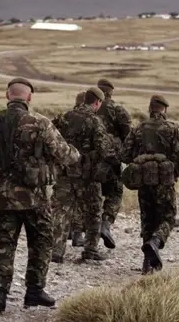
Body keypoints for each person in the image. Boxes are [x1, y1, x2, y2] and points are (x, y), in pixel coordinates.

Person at [0, 77, 80, 314]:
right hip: (34, 199)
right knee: (41, 243)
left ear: (8, 96)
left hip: (0, 198)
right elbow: (65, 154)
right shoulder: (40, 123)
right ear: (29, 97)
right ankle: (34, 291)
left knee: (2, 245)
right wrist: (75, 156)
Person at [121, 95, 179, 275]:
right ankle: (155, 242)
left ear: (150, 109)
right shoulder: (172, 129)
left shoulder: (138, 129)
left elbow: (124, 155)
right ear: (164, 110)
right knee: (168, 217)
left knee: (148, 219)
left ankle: (147, 265)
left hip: (144, 181)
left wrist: (142, 160)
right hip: (164, 181)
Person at [52, 87, 119, 262]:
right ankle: (90, 250)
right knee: (93, 211)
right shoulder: (95, 122)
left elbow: (51, 140)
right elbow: (104, 149)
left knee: (61, 211)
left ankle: (56, 252)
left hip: (65, 173)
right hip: (87, 176)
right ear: (97, 102)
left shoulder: (64, 117)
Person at [95, 79, 132, 249]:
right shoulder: (119, 110)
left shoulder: (88, 107)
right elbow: (129, 138)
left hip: (89, 159)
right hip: (112, 160)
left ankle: (78, 231)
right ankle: (105, 224)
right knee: (115, 193)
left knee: (90, 194)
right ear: (111, 92)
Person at [51, 91, 86, 248]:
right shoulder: (92, 120)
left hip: (63, 168)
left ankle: (57, 248)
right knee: (81, 204)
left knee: (60, 208)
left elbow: (51, 138)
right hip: (83, 170)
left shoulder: (62, 117)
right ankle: (78, 236)